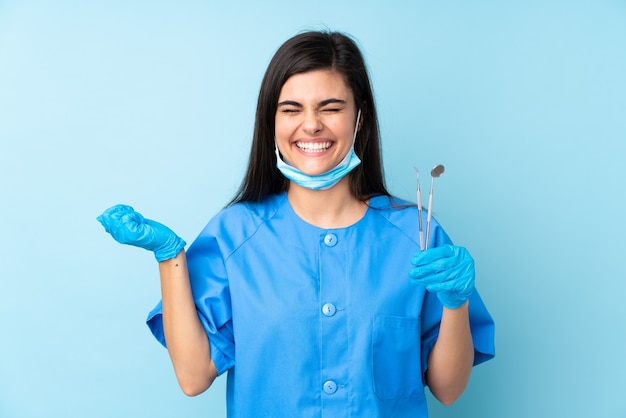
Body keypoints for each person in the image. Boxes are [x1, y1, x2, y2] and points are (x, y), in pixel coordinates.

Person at [97, 30, 495, 417]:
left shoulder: (416, 236)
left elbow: (448, 389)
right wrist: (170, 257)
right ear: (271, 122)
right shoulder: (235, 235)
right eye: (291, 109)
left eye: (331, 107)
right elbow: (193, 376)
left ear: (360, 118)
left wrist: (456, 304)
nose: (311, 125)